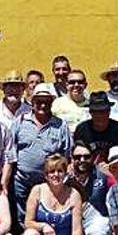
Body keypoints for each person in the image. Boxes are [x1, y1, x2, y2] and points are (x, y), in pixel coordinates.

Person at [12, 83, 73, 225]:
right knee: (20, 216)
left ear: (51, 103)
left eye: (46, 102)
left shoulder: (60, 125)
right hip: (21, 179)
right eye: (39, 101)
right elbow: (10, 149)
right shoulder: (20, 121)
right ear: (32, 103)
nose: (42, 105)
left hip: (48, 181)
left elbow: (66, 154)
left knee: (42, 215)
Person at [66, 142, 112, 235]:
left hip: (96, 214)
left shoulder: (102, 174)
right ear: (71, 159)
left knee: (97, 233)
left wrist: (110, 174)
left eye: (86, 156)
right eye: (77, 157)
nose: (82, 160)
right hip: (71, 216)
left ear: (93, 157)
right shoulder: (64, 176)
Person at [73, 92, 118, 163]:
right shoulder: (81, 129)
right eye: (96, 112)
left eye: (103, 112)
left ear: (109, 112)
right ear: (90, 112)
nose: (100, 116)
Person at [51, 69, 91, 133]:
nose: (76, 85)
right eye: (72, 82)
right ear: (67, 85)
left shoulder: (91, 105)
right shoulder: (57, 104)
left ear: (85, 85)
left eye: (80, 82)